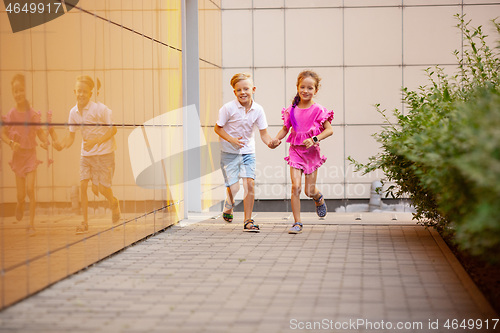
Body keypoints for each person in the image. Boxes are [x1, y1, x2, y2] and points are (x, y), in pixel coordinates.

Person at [214, 72, 278, 232]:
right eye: (239, 90)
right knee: (234, 188)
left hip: (248, 152)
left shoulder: (258, 110)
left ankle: (248, 220)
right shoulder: (228, 108)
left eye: (246, 89)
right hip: (229, 152)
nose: (243, 92)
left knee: (249, 184)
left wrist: (270, 143)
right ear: (234, 92)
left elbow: (263, 134)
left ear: (253, 89)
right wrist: (231, 140)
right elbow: (217, 128)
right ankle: (229, 205)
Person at [272, 70, 333, 234]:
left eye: (310, 88)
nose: (306, 91)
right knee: (296, 187)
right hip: (295, 152)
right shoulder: (292, 109)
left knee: (308, 191)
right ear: (298, 87)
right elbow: (285, 129)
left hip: (311, 154)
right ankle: (297, 222)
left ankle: (317, 197)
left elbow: (329, 130)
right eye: (302, 87)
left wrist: (315, 139)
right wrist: (276, 140)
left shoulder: (318, 109)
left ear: (316, 90)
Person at [60, 75, 119, 234]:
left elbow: (113, 130)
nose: (81, 94)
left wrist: (97, 141)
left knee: (102, 188)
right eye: (79, 91)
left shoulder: (100, 109)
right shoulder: (73, 112)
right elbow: (71, 137)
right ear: (74, 92)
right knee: (83, 185)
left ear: (90, 94)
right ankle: (84, 222)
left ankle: (113, 202)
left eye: (84, 92)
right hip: (86, 154)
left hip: (104, 153)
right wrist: (61, 144)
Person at [1, 74, 49, 234]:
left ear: (26, 92)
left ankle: (31, 224)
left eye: (21, 90)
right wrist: (10, 143)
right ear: (12, 93)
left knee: (30, 189)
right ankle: (20, 204)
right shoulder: (11, 114)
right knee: (21, 195)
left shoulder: (32, 114)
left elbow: (40, 132)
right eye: (15, 91)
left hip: (30, 155)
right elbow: (3, 133)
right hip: (18, 157)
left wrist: (44, 141)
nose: (18, 94)